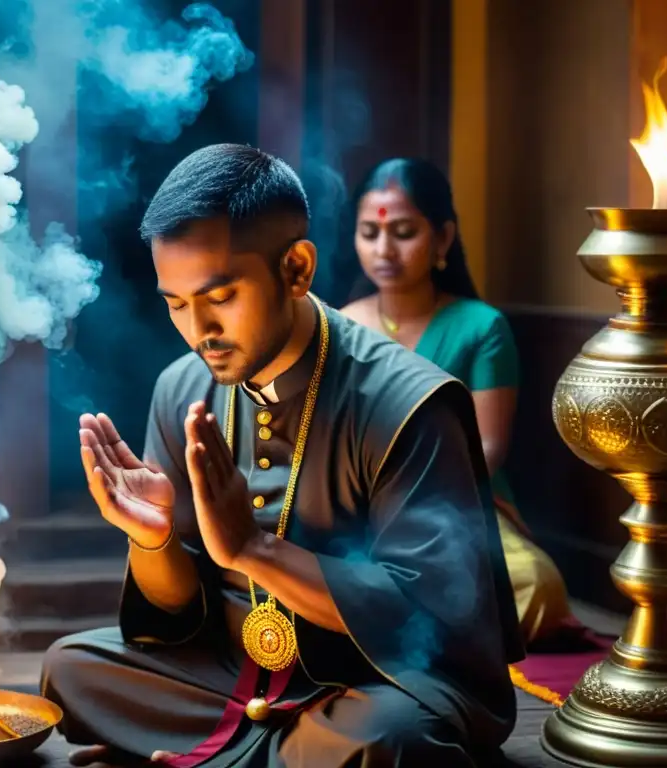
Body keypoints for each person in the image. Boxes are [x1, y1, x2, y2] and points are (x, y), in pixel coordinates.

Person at [41, 144, 523, 768]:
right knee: (70, 669)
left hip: (372, 681)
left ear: (295, 269)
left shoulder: (409, 402)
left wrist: (253, 550)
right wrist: (153, 540)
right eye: (176, 303)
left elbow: (430, 621)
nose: (198, 331)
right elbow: (180, 616)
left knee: (388, 741)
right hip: (235, 666)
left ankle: (212, 755)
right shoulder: (180, 387)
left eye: (221, 296)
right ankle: (265, 755)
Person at [339, 157, 572, 645]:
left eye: (403, 232)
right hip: (356, 508)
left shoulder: (481, 327)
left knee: (537, 588)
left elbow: (487, 449)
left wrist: (409, 497)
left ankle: (397, 629)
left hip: (455, 510)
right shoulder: (340, 325)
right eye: (369, 232)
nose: (384, 249)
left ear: (442, 238)